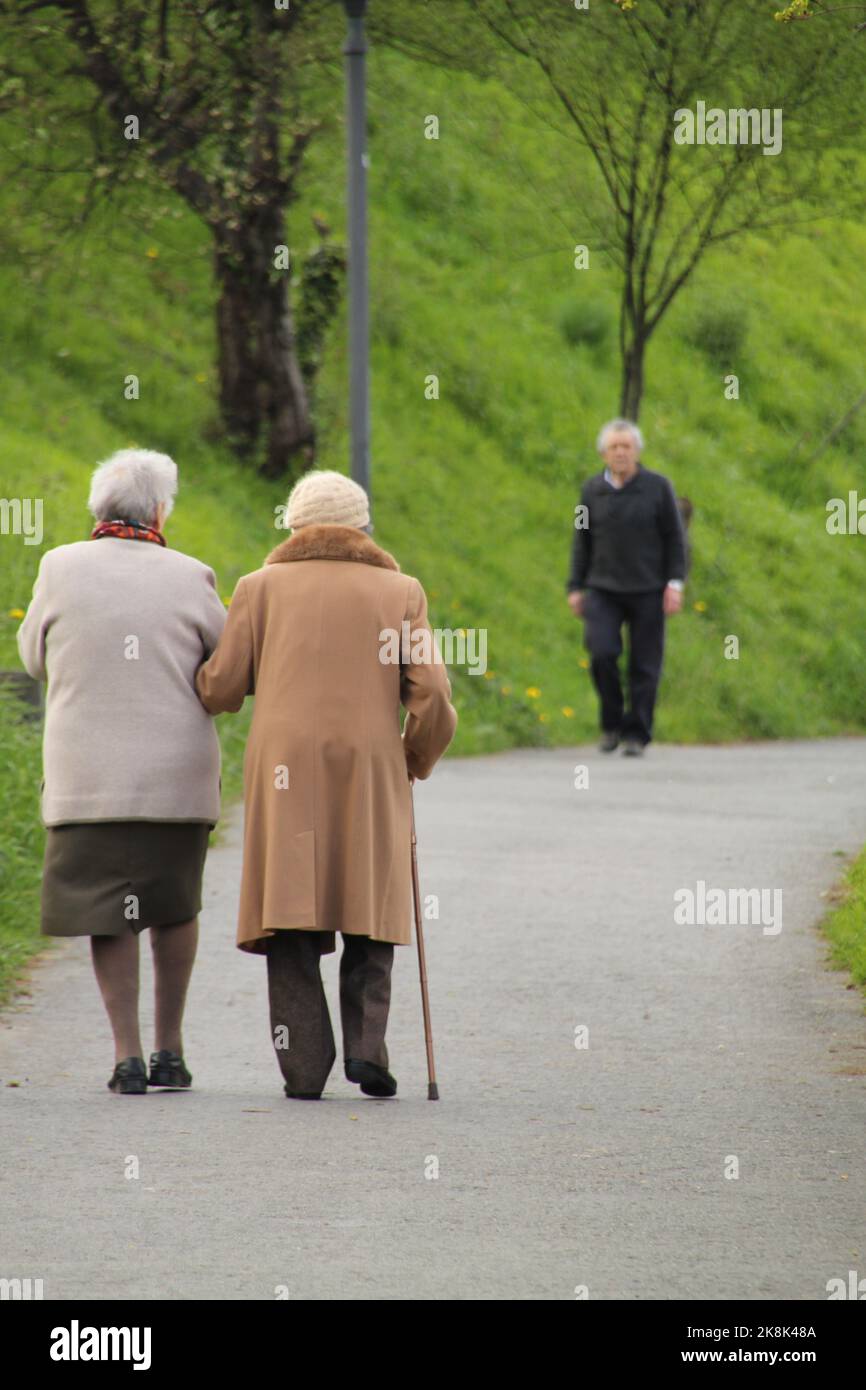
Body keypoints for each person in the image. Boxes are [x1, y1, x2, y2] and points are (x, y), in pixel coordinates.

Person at [195, 469, 457, 1100]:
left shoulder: (258, 589)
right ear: (362, 529)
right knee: (369, 904)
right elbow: (433, 697)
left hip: (283, 767)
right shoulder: (400, 592)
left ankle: (304, 1066)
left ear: (294, 526)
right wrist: (413, 757)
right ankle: (368, 1050)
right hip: (369, 763)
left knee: (289, 910)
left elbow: (223, 688)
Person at [17, 449, 227, 1095]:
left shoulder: (59, 567)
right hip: (176, 775)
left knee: (107, 911)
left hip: (89, 776)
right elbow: (224, 664)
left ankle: (127, 1057)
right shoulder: (193, 576)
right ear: (161, 509)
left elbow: (32, 659)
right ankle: (171, 1050)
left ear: (97, 509)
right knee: (174, 904)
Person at [566, 419, 687, 755]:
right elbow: (582, 540)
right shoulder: (591, 491)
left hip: (649, 588)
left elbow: (676, 540)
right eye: (614, 447)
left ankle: (637, 734)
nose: (620, 452)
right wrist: (575, 586)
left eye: (627, 446)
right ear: (604, 453)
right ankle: (611, 723)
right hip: (603, 588)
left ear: (637, 451)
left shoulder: (659, 487)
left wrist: (674, 584)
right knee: (602, 652)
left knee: (645, 664)